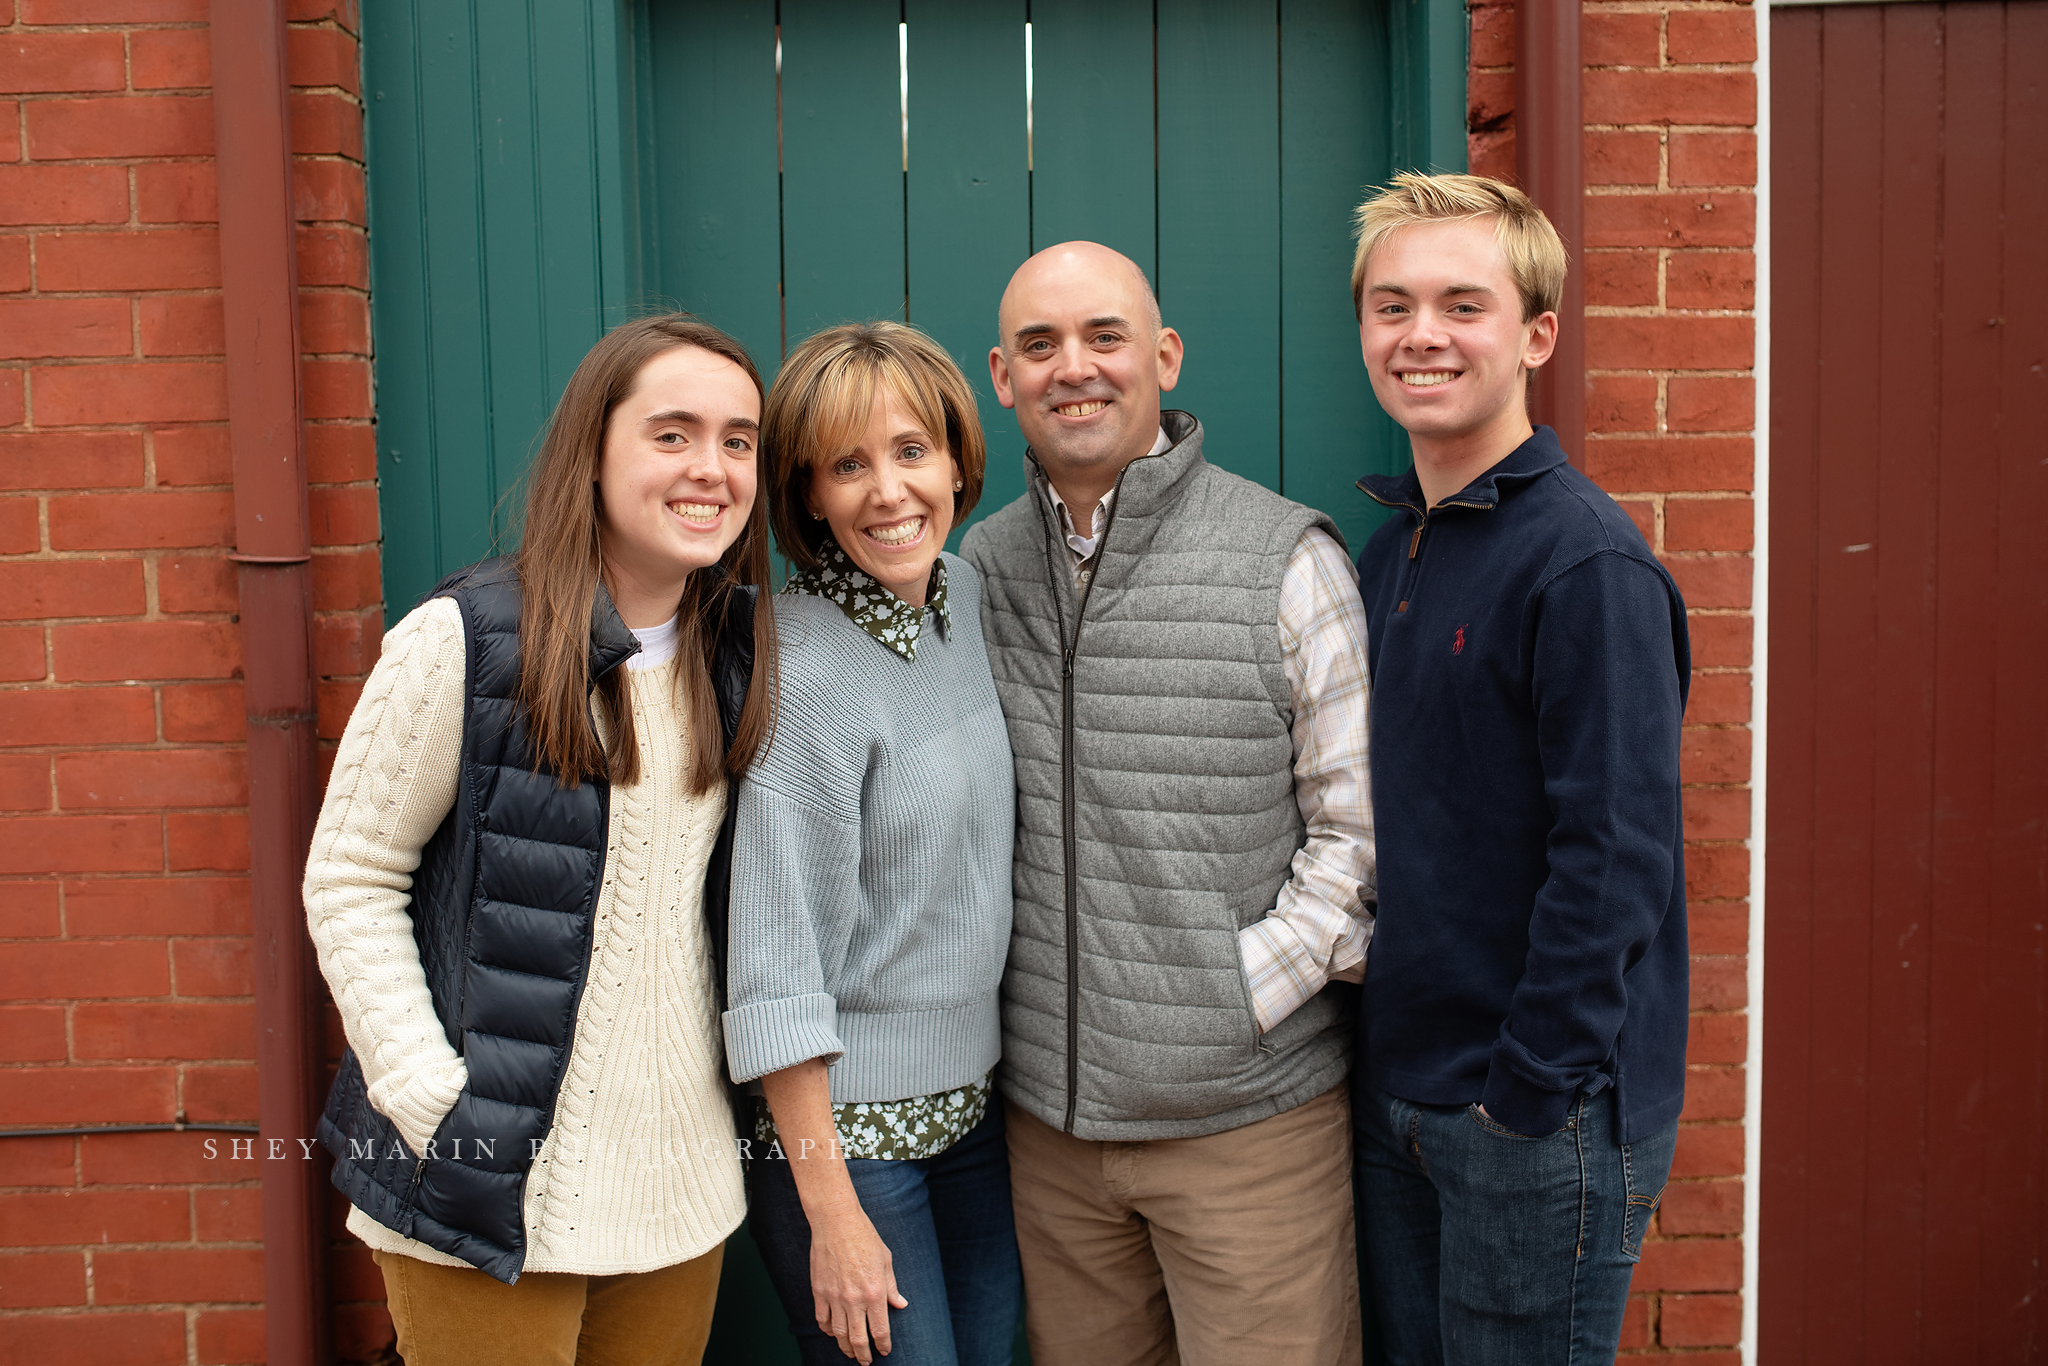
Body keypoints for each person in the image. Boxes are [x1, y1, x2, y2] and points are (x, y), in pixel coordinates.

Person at [306, 314, 777, 1365]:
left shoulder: (735, 651)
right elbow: (348, 877)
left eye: (737, 439)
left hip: (677, 1191)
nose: (711, 467)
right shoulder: (467, 640)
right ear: (593, 450)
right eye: (672, 433)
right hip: (487, 1183)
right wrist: (433, 1098)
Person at [960, 242, 1374, 1366]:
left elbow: (1359, 843)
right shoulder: (972, 572)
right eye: (1038, 345)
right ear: (1001, 376)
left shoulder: (1283, 560)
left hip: (1247, 1135)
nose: (1072, 368)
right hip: (1047, 1143)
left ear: (1164, 356)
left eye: (1103, 335)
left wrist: (1225, 997)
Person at [1347, 172, 1690, 1364]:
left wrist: (1523, 1095)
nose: (1419, 335)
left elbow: (1616, 857)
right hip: (1400, 1094)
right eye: (1390, 306)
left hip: (1535, 1115)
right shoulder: (1389, 551)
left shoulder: (1584, 564)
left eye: (1460, 304)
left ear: (1534, 334)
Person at [723, 321, 1021, 1366]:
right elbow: (772, 965)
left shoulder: (965, 602)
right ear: (806, 494)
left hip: (972, 1116)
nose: (887, 491)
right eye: (847, 465)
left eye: (910, 451)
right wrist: (830, 1214)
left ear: (955, 461)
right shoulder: (798, 672)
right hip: (845, 1144)